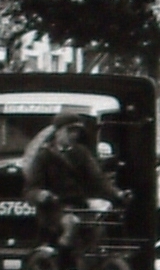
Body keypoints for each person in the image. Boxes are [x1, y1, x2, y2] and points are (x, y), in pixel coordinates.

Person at [23, 107, 118, 259]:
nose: (74, 135)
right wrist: (41, 195)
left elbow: (98, 179)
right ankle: (62, 260)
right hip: (53, 210)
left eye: (76, 131)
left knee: (98, 227)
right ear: (58, 132)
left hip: (79, 206)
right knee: (70, 223)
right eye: (70, 131)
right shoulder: (44, 156)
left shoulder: (81, 153)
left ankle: (93, 265)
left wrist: (117, 193)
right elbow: (30, 189)